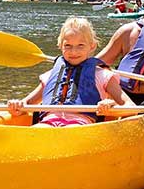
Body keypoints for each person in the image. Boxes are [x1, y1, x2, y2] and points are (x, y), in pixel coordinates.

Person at [7, 17, 135, 127]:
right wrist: (16, 105)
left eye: (80, 45)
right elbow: (26, 104)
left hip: (80, 125)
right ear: (60, 45)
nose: (74, 52)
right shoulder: (51, 75)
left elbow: (130, 107)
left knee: (70, 129)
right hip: (47, 123)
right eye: (68, 46)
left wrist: (111, 107)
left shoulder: (104, 76)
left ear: (92, 46)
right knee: (38, 131)